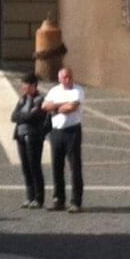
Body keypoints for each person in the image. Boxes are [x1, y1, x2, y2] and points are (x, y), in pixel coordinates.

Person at [41, 65, 85, 212]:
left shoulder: (78, 90)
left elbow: (72, 107)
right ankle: (58, 199)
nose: (67, 79)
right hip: (56, 131)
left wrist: (56, 107)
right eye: (64, 77)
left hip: (72, 131)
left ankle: (76, 201)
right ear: (59, 78)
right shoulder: (54, 90)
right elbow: (45, 106)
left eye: (69, 77)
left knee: (75, 167)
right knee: (56, 166)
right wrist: (60, 106)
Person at [11, 74, 49, 208]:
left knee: (34, 166)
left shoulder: (40, 99)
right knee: (26, 167)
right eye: (23, 84)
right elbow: (14, 116)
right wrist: (23, 116)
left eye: (26, 84)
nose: (23, 87)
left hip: (34, 136)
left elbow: (34, 115)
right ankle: (29, 196)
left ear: (33, 85)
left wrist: (23, 116)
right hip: (21, 135)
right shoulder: (22, 99)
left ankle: (38, 198)